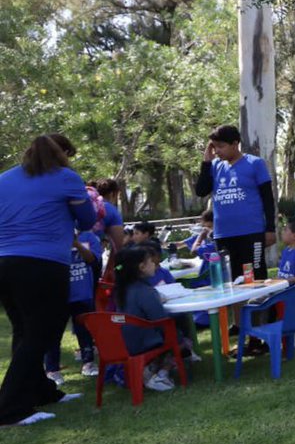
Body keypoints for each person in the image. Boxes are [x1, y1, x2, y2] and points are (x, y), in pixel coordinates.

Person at [0, 134, 96, 426]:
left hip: (4, 263)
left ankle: (42, 391)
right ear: (62, 155)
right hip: (43, 264)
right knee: (41, 333)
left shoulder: (4, 179)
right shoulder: (66, 178)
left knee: (24, 330)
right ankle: (10, 408)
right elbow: (88, 220)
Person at [194, 125, 276, 282]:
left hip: (251, 233)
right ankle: (237, 308)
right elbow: (201, 191)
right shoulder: (215, 166)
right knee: (231, 282)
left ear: (235, 144)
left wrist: (270, 229)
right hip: (223, 235)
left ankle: (259, 307)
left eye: (221, 146)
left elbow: (268, 198)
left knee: (254, 279)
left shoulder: (255, 163)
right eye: (214, 147)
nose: (217, 151)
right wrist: (206, 162)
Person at [112, 246, 177, 392]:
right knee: (180, 339)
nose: (154, 264)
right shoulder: (145, 291)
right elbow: (160, 319)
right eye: (151, 261)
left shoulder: (122, 290)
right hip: (144, 343)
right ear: (142, 267)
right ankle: (161, 373)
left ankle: (149, 370)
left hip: (125, 342)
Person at [44, 227, 103, 385]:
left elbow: (93, 260)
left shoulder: (89, 237)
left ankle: (88, 362)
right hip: (57, 294)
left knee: (84, 331)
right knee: (53, 333)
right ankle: (52, 370)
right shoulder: (51, 235)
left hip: (82, 293)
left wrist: (76, 244)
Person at [94, 177, 126, 278]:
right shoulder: (111, 211)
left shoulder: (88, 207)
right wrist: (115, 268)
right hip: (93, 256)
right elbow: (118, 246)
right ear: (113, 194)